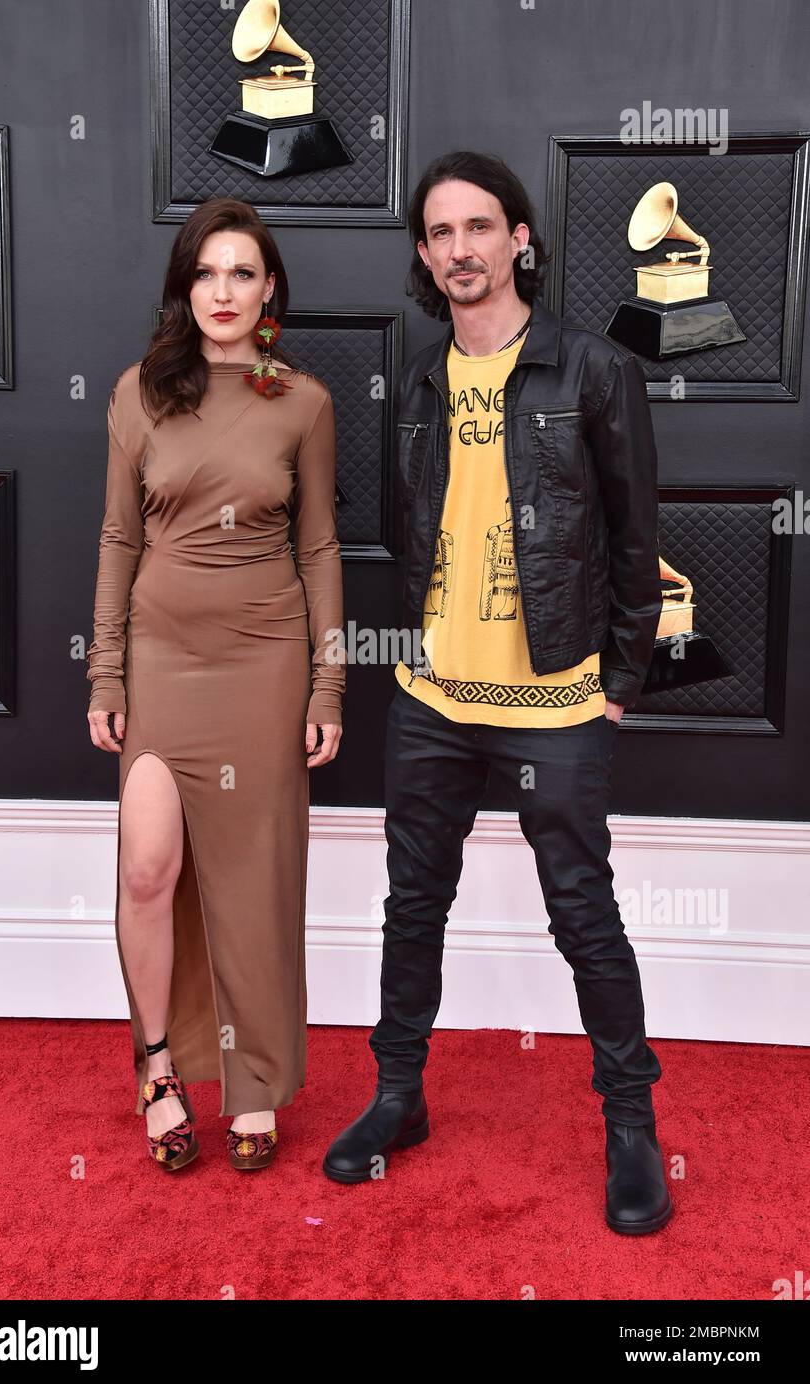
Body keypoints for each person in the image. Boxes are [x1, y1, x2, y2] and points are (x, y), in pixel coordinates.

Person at [323, 151, 672, 1235]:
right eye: (438, 233)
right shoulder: (422, 375)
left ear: (518, 237)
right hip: (432, 693)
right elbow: (412, 527)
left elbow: (634, 536)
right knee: (411, 904)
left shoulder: (590, 369)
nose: (459, 249)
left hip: (553, 702)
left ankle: (628, 1125)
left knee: (583, 914)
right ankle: (398, 1095)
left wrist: (614, 683)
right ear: (424, 253)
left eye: (478, 227)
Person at [87, 197, 344, 1172]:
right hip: (159, 662)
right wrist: (104, 670)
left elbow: (318, 549)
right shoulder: (136, 394)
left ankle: (256, 1084)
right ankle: (157, 1069)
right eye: (206, 273)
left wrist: (328, 690)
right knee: (148, 870)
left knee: (255, 883)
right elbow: (118, 539)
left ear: (268, 287)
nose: (223, 291)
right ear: (182, 288)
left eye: (242, 272)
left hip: (265, 660)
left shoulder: (303, 403)